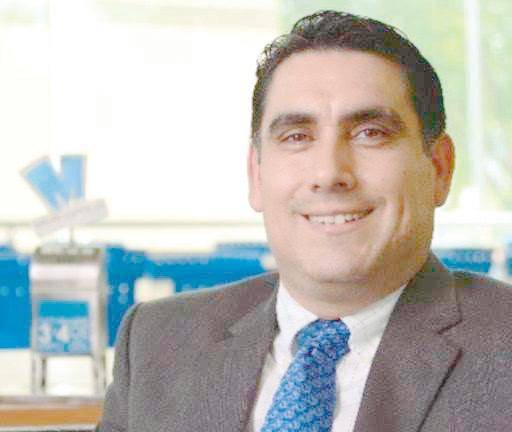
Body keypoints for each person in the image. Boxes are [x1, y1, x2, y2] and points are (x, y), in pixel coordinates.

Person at [97, 10, 512, 432]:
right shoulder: (157, 342)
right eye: (296, 137)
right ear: (256, 175)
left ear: (439, 169)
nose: (328, 173)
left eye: (370, 133)